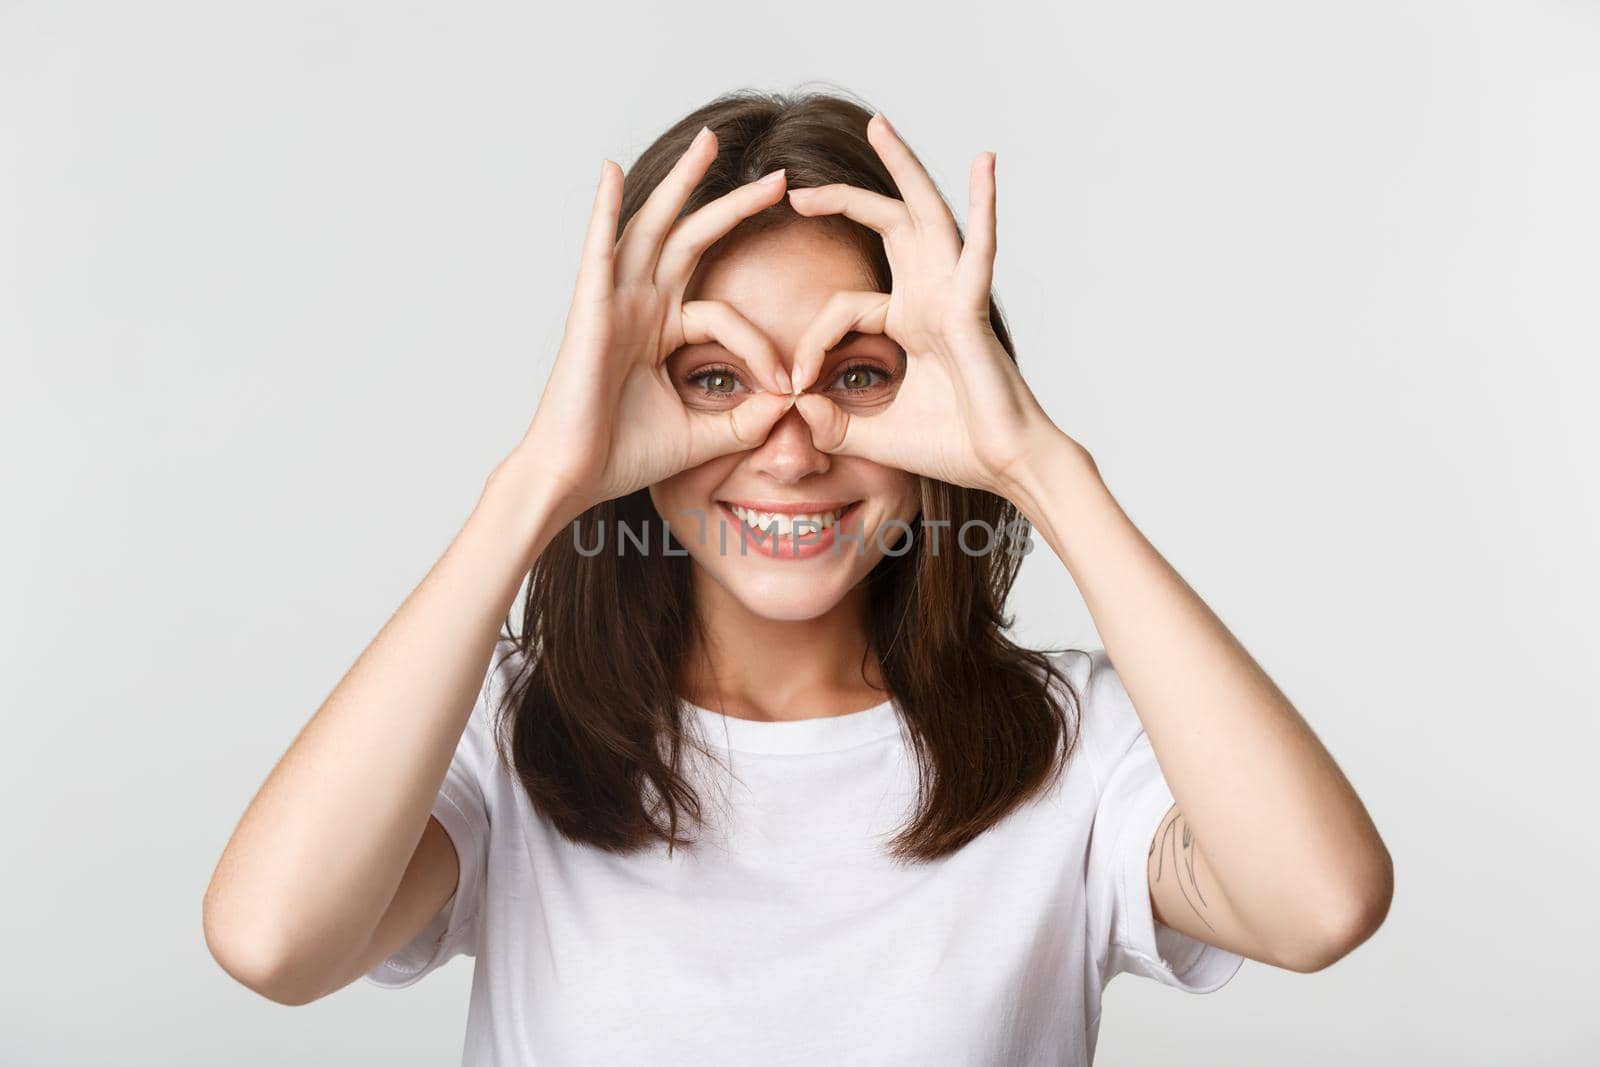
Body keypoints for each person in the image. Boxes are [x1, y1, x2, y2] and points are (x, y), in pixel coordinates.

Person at [202, 89, 1393, 1065]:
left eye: (860, 374)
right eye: (714, 377)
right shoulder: (517, 735)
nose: (789, 440)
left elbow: (1319, 905)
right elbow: (271, 944)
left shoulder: (1069, 743)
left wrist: (1034, 462)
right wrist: (540, 483)